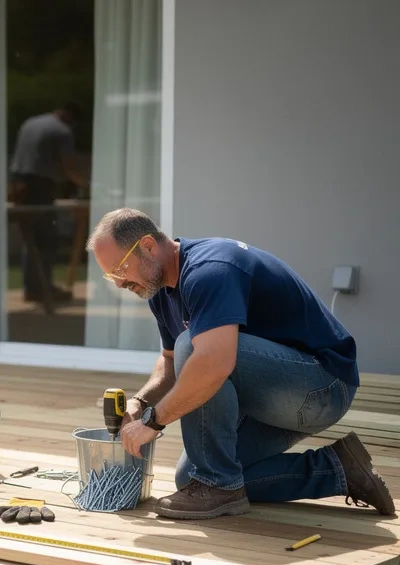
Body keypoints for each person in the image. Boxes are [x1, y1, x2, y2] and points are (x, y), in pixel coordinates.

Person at [87, 207, 393, 520]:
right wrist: (140, 402)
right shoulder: (160, 292)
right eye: (111, 275)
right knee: (192, 477)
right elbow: (169, 364)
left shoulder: (208, 269)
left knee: (194, 346)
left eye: (120, 269)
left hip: (322, 387)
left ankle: (218, 487)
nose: (118, 283)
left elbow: (213, 362)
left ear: (149, 246)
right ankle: (339, 470)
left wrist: (152, 421)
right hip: (271, 397)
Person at [8, 103, 89, 306]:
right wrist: (86, 185)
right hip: (38, 187)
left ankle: (32, 288)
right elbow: (69, 168)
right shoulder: (62, 131)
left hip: (18, 186)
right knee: (46, 238)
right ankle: (43, 290)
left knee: (30, 237)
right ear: (69, 117)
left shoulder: (31, 122)